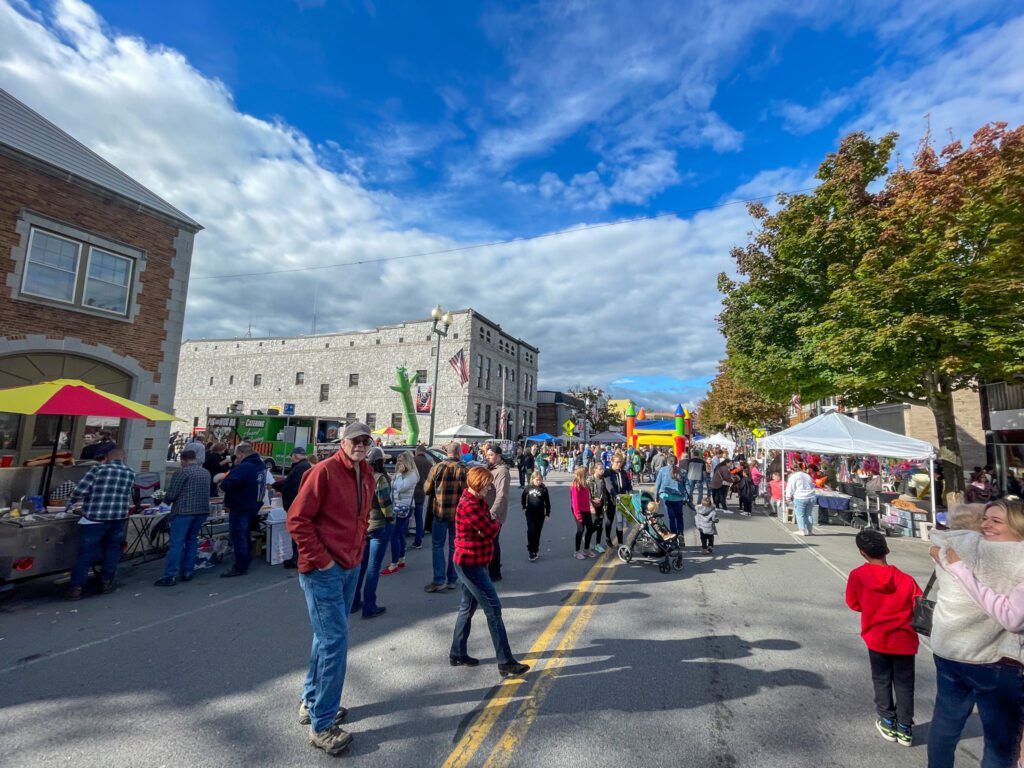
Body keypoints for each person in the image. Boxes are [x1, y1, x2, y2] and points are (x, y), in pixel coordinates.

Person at [287, 421, 377, 756]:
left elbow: (360, 515)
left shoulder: (365, 472)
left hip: (349, 565)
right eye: (355, 440)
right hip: (324, 569)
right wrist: (321, 559)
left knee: (325, 638)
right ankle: (322, 724)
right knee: (335, 641)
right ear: (342, 442)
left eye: (365, 441)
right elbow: (297, 520)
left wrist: (357, 550)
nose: (360, 445)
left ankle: (312, 702)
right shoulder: (323, 472)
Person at [927, 498, 1024, 768]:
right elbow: (1014, 619)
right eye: (986, 518)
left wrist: (947, 557)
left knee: (945, 724)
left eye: (996, 520)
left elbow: (939, 544)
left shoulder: (954, 545)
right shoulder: (1016, 555)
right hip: (993, 659)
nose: (987, 525)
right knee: (1000, 741)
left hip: (949, 650)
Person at [449, 466, 530, 678]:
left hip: (475, 560)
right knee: (493, 609)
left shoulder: (476, 501)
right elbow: (490, 530)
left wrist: (491, 522)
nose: (489, 489)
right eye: (486, 486)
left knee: (467, 607)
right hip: (470, 563)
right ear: (478, 485)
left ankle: (457, 652)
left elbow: (488, 527)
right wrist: (493, 522)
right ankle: (505, 661)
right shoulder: (469, 504)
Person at [844, 529, 922, 747]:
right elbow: (919, 606)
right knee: (905, 684)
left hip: (877, 636)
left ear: (862, 553)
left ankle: (887, 719)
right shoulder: (906, 580)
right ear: (887, 549)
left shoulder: (858, 575)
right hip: (904, 640)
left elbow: (853, 603)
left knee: (881, 679)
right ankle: (905, 726)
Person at [64, 448, 135, 600]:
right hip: (118, 518)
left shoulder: (97, 469)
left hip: (95, 519)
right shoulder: (130, 472)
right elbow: (127, 495)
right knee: (112, 551)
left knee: (85, 554)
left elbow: (80, 490)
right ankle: (106, 582)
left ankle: (76, 587)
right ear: (124, 458)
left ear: (107, 457)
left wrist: (70, 502)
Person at [154, 449, 211, 587]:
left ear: (183, 460)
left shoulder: (182, 472)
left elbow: (172, 494)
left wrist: (163, 502)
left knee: (176, 543)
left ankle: (170, 575)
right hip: (201, 511)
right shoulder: (205, 472)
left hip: (184, 512)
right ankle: (187, 571)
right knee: (192, 540)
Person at [351, 447, 394, 618]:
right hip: (377, 525)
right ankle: (369, 606)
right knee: (373, 567)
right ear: (380, 461)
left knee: (360, 566)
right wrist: (391, 517)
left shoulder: (360, 475)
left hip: (363, 524)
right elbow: (385, 504)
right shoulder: (379, 478)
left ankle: (353, 602)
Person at [424, 443, 468, 593]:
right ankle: (452, 579)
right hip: (458, 514)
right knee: (454, 547)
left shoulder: (437, 467)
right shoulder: (465, 469)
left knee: (437, 546)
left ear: (446, 453)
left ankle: (439, 579)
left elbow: (427, 489)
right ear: (459, 453)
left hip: (440, 512)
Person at [218, 443, 267, 577]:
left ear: (241, 454)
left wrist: (224, 481)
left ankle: (240, 566)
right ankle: (245, 561)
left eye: (237, 455)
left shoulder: (245, 467)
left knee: (239, 536)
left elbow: (227, 484)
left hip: (241, 505)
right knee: (244, 534)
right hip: (253, 505)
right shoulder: (261, 465)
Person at [275, 447, 313, 569]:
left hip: (296, 506)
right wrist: (277, 485)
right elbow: (289, 483)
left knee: (297, 533)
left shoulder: (300, 468)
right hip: (298, 505)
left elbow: (294, 487)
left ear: (295, 456)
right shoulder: (303, 466)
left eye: (291, 455)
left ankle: (297, 559)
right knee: (298, 533)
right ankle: (297, 558)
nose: (290, 458)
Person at [382, 451, 418, 575]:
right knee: (400, 534)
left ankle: (394, 564)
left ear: (407, 462)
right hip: (399, 506)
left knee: (394, 536)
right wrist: (397, 476)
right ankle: (401, 559)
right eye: (398, 462)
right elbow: (395, 485)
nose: (399, 464)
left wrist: (396, 477)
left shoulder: (411, 474)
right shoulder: (403, 474)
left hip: (403, 507)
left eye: (401, 462)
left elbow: (401, 487)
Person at [485, 445, 511, 582]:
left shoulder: (502, 472)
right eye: (487, 455)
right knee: (490, 541)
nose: (488, 457)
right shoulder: (492, 469)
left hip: (495, 513)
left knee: (493, 542)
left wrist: (492, 513)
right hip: (487, 510)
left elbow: (502, 495)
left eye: (491, 455)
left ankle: (495, 573)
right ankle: (492, 567)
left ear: (499, 456)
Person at [603, 451, 633, 547]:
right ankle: (608, 537)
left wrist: (631, 492)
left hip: (623, 500)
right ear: (612, 462)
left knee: (619, 522)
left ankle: (620, 542)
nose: (619, 464)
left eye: (620, 462)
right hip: (612, 500)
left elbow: (628, 484)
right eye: (617, 462)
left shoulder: (623, 472)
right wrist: (615, 495)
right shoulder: (608, 472)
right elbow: (609, 485)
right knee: (609, 520)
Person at [522, 470, 551, 561]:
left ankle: (535, 549)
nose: (538, 482)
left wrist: (547, 513)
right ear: (533, 479)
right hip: (530, 513)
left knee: (537, 533)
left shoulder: (543, 489)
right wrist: (524, 507)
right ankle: (531, 550)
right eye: (537, 480)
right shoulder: (528, 488)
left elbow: (547, 501)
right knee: (531, 531)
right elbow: (523, 497)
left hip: (540, 514)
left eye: (540, 480)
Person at [654, 455, 686, 536]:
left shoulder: (662, 470)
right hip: (679, 497)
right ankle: (681, 533)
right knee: (679, 516)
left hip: (666, 496)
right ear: (677, 462)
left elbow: (657, 485)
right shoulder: (682, 471)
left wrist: (656, 497)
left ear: (667, 462)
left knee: (671, 517)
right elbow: (686, 485)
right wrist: (686, 497)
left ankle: (674, 534)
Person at [570, 467, 596, 559]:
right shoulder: (575, 485)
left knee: (590, 528)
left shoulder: (585, 483)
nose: (588, 474)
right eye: (586, 473)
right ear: (582, 474)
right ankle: (577, 551)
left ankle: (586, 549)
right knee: (580, 530)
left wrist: (591, 505)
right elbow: (575, 502)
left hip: (586, 509)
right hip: (578, 510)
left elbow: (587, 497)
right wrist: (578, 515)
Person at [785, 462, 817, 536]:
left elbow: (790, 487)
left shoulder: (793, 476)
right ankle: (810, 531)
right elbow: (811, 485)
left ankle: (801, 530)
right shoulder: (807, 475)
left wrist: (788, 497)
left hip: (800, 496)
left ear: (792, 470)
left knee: (800, 514)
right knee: (808, 514)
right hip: (811, 496)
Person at [412, 446, 432, 546]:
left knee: (406, 519)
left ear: (417, 451)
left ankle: (402, 543)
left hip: (411, 492)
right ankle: (418, 541)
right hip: (422, 493)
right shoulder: (429, 463)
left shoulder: (413, 460)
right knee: (419, 519)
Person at [588, 463, 608, 554]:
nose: (601, 470)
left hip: (601, 505)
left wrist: (605, 505)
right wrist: (591, 502)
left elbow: (604, 493)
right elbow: (586, 495)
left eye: (602, 468)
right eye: (600, 469)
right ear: (595, 469)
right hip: (592, 506)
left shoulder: (602, 480)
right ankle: (587, 538)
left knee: (600, 525)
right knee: (594, 524)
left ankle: (598, 544)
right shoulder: (589, 480)